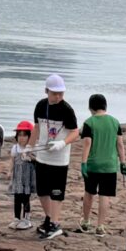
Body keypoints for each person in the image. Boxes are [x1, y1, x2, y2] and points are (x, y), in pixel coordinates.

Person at [32, 74, 79, 240]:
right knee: (42, 191)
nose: (58, 96)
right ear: (46, 91)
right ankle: (49, 218)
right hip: (42, 155)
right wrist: (30, 148)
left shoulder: (67, 109)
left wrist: (62, 143)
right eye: (54, 93)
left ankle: (55, 223)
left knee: (56, 192)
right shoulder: (40, 106)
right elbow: (36, 128)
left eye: (61, 93)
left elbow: (75, 132)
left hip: (59, 159)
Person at [76, 93, 125, 235]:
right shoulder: (115, 122)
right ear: (105, 106)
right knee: (105, 196)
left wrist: (83, 162)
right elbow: (120, 144)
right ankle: (100, 226)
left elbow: (87, 144)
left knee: (89, 193)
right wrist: (123, 163)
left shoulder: (89, 122)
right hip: (110, 166)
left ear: (90, 107)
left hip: (93, 165)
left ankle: (85, 222)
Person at [8, 121, 37, 229]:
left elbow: (37, 161)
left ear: (30, 136)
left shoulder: (32, 148)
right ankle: (16, 218)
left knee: (26, 198)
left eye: (24, 135)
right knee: (17, 198)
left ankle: (26, 219)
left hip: (28, 179)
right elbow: (12, 160)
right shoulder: (15, 148)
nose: (21, 138)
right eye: (19, 135)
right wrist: (9, 171)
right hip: (17, 179)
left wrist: (31, 157)